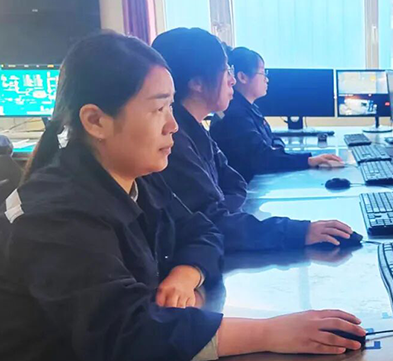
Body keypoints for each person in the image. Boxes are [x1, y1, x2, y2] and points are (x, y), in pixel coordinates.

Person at [0, 32, 364, 360]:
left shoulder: (139, 180)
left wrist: (186, 274)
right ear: (96, 121)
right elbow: (126, 334)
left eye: (171, 107)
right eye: (158, 109)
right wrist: (270, 332)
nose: (173, 125)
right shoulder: (54, 216)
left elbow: (203, 230)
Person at [152, 28, 355, 252]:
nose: (231, 80)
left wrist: (223, 211)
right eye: (226, 71)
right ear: (197, 83)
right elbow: (214, 223)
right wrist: (300, 232)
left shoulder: (196, 130)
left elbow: (235, 184)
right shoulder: (174, 143)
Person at [210, 46, 343, 182]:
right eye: (263, 73)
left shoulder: (249, 109)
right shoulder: (235, 115)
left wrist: (275, 151)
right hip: (246, 187)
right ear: (242, 77)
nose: (267, 79)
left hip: (254, 182)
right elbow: (262, 158)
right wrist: (308, 160)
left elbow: (272, 140)